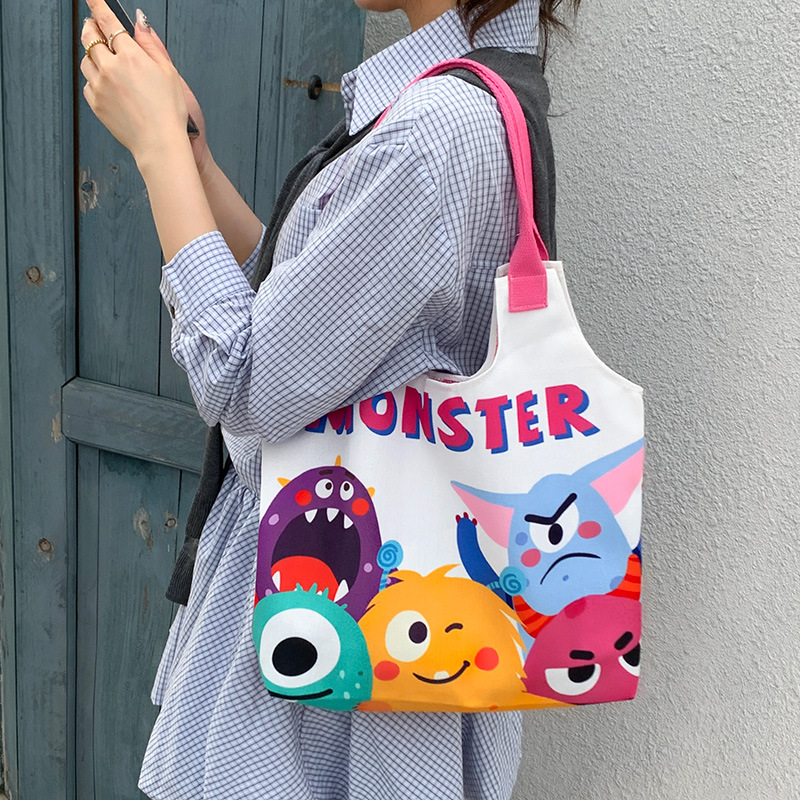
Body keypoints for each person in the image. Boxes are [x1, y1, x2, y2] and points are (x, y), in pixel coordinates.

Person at [79, 0, 580, 797]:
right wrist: (196, 161)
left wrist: (157, 153)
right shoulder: (486, 94)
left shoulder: (435, 130)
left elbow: (244, 381)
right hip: (395, 630)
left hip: (328, 652)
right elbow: (313, 319)